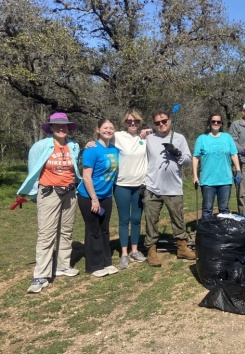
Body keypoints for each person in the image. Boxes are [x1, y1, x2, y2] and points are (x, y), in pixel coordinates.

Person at [19, 113, 82, 293]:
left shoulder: (74, 145)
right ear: (51, 128)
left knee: (66, 230)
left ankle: (63, 265)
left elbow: (75, 167)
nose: (61, 128)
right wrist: (33, 194)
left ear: (69, 128)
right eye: (57, 126)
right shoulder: (40, 146)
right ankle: (40, 275)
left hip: (70, 192)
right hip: (49, 192)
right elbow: (33, 171)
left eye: (65, 126)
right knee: (47, 234)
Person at [143, 110, 195, 267]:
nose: (161, 124)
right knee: (151, 220)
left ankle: (182, 248)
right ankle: (151, 250)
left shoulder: (179, 138)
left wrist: (177, 153)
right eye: (157, 123)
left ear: (170, 120)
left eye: (164, 121)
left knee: (178, 219)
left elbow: (187, 160)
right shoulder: (149, 138)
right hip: (152, 186)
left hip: (173, 187)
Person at [77, 119, 119, 277]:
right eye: (105, 128)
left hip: (106, 196)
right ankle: (94, 266)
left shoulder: (114, 149)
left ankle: (106, 262)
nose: (108, 130)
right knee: (93, 229)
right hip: (89, 196)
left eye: (111, 128)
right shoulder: (91, 150)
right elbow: (86, 177)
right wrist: (94, 199)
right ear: (98, 130)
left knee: (104, 229)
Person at [113, 109, 148, 269]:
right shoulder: (118, 136)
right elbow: (103, 138)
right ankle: (124, 254)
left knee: (136, 219)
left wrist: (150, 130)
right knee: (124, 219)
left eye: (135, 121)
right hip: (122, 185)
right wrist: (91, 143)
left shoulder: (145, 138)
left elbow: (160, 133)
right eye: (129, 121)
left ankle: (135, 250)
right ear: (125, 123)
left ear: (140, 122)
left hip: (140, 185)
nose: (132, 123)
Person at [193, 114, 242, 221]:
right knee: (207, 210)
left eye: (218, 122)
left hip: (225, 180)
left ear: (221, 124)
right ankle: (207, 234)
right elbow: (195, 158)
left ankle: (222, 234)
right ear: (209, 123)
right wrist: (195, 176)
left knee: (224, 209)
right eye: (213, 121)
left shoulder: (227, 137)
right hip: (207, 181)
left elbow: (234, 154)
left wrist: (238, 170)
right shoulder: (202, 138)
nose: (216, 124)